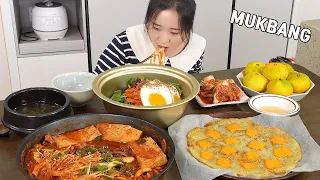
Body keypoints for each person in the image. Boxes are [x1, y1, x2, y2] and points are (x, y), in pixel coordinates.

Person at [93, 0, 206, 75]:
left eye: (174, 32)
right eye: (156, 28)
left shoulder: (196, 46)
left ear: (188, 30)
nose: (163, 40)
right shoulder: (124, 43)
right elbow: (96, 84)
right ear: (147, 22)